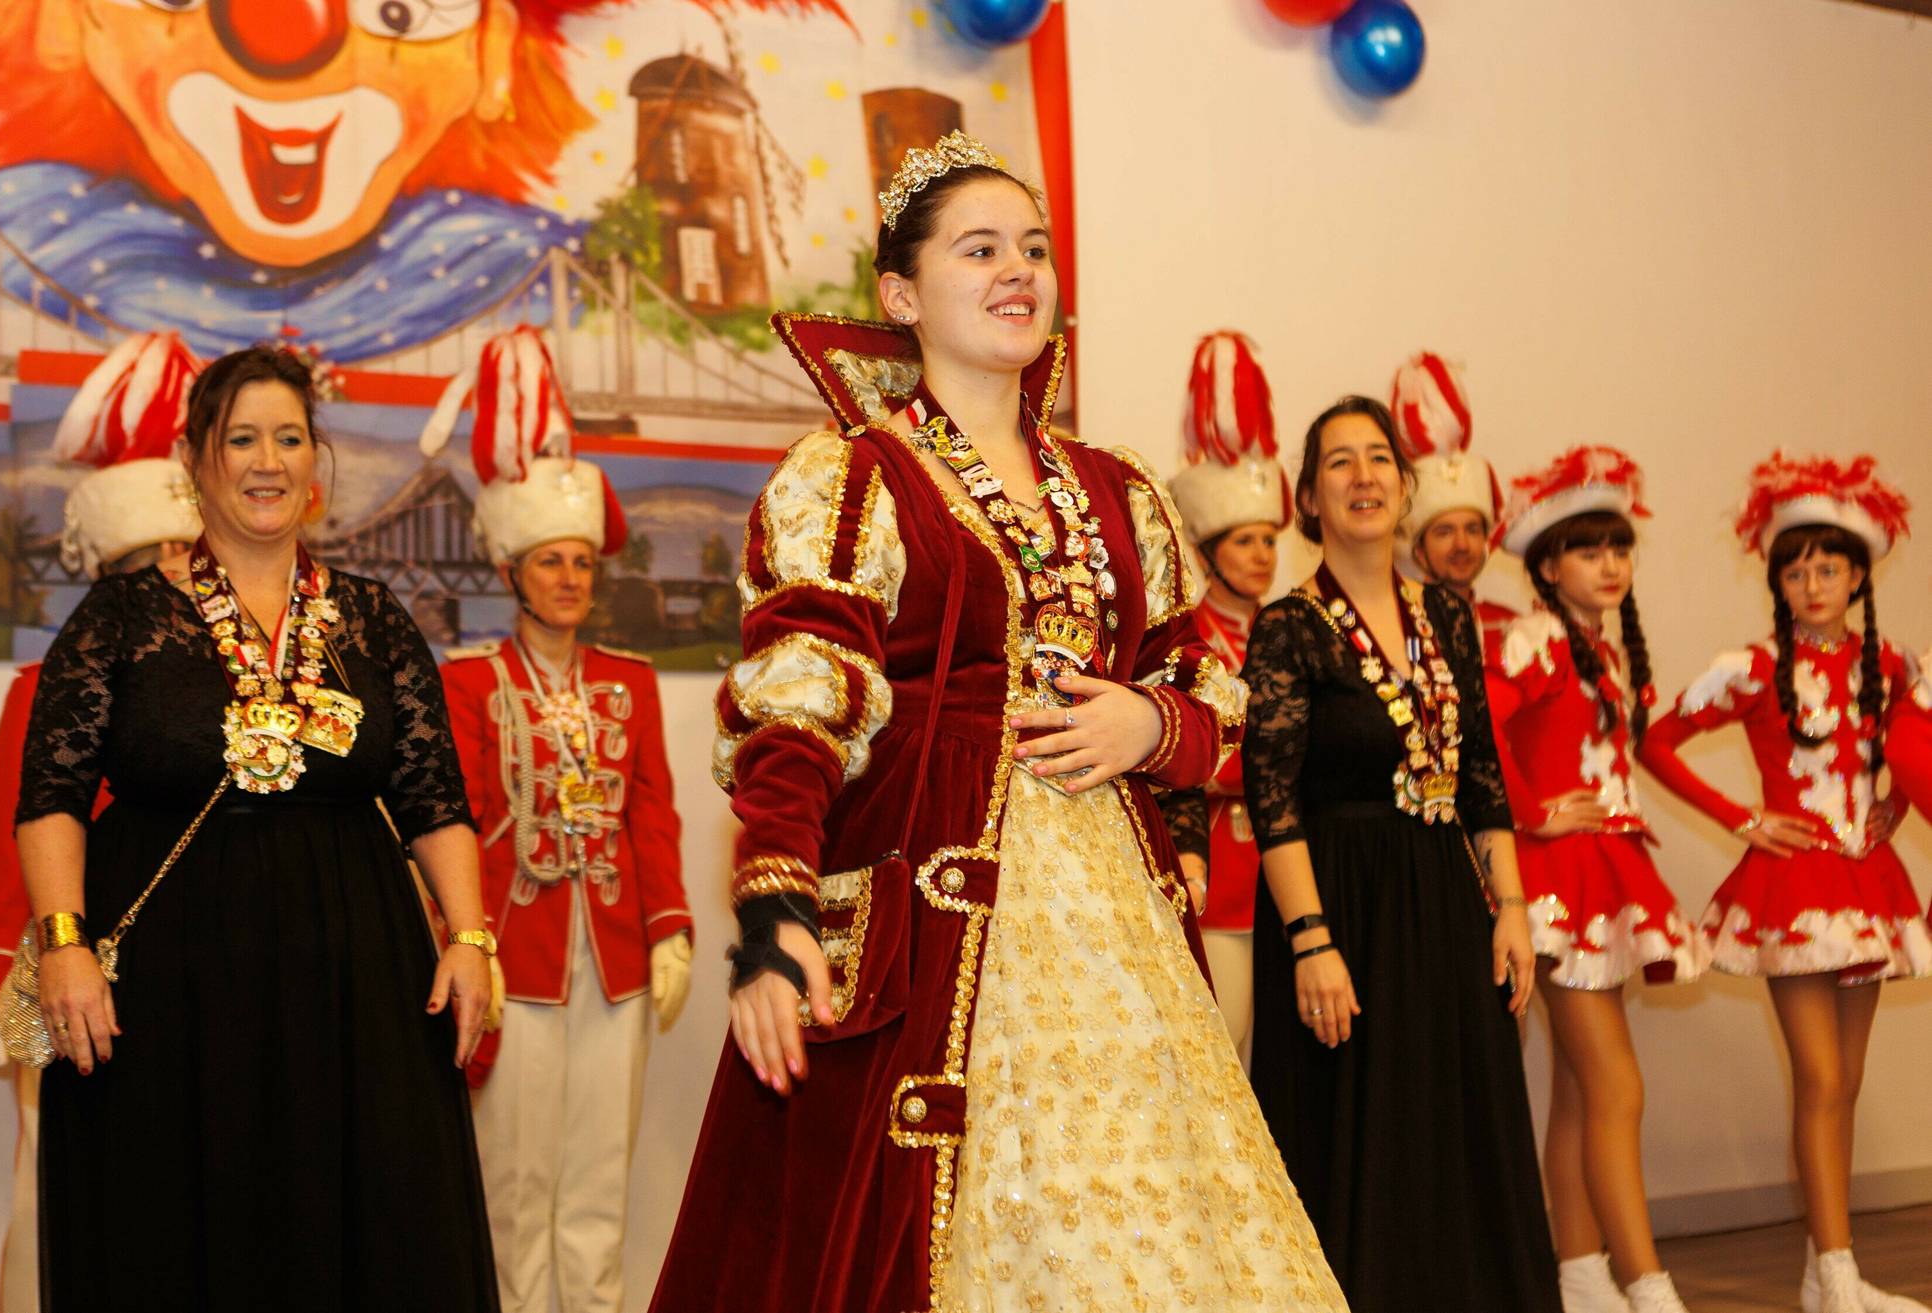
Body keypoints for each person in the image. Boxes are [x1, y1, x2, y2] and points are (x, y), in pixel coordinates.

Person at [648, 132, 1343, 1313]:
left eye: (1034, 248)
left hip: (1119, 925)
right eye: (979, 250)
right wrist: (773, 908)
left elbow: (1209, 688)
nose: (1019, 269)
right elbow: (799, 699)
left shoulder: (1120, 487)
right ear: (901, 295)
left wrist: (1151, 725)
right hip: (929, 924)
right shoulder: (855, 475)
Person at [15, 343, 500, 1311]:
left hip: (356, 977)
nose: (267, 461)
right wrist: (64, 943)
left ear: (316, 460)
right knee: (172, 1231)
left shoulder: (374, 617)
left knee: (364, 1224)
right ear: (194, 459)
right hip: (168, 986)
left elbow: (434, 796)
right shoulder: (122, 614)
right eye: (241, 439)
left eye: (288, 437)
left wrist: (471, 936)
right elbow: (51, 793)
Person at [1242, 393, 1560, 1311]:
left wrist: (1510, 908)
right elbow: (1272, 796)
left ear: (1405, 483)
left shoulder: (1447, 616)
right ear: (1310, 499)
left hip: (1443, 899)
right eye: (1339, 462)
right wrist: (1310, 940)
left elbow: (1481, 772)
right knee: (1355, 1137)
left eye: (1379, 457)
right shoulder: (1289, 625)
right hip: (1339, 905)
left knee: (1457, 1125)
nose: (1364, 476)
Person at [424, 327, 693, 1313]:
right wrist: (465, 938)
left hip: (614, 954)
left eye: (583, 561)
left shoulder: (631, 680)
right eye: (551, 561)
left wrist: (669, 926)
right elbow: (451, 822)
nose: (571, 577)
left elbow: (652, 812)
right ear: (513, 570)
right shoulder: (469, 682)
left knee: (597, 1181)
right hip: (515, 950)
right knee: (513, 1178)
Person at [0, 331, 204, 1313]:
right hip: (66, 971)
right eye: (154, 560)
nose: (176, 575)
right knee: (52, 1190)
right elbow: (8, 837)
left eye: (186, 557)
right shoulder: (49, 681)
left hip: (190, 969)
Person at [1638, 451, 1930, 1313]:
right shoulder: (1753, 666)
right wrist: (1744, 818)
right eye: (1796, 572)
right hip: (1794, 888)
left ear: (1858, 577)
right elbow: (1656, 741)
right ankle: (1835, 1272)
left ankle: (1827, 1270)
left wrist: (1895, 807)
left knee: (1847, 1081)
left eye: (1828, 569)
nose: (1812, 585)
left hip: (1867, 883)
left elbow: (1915, 751)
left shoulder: (1894, 665)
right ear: (1778, 582)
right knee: (1820, 1079)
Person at [1484, 445, 1709, 1313]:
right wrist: (1534, 811)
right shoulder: (1539, 640)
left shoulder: (1599, 653)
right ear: (1548, 567)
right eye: (1588, 549)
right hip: (1554, 880)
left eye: (1619, 548)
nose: (1610, 564)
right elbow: (1478, 733)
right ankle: (1650, 1287)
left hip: (1602, 870)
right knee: (1617, 1086)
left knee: (1583, 1089)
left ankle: (1580, 1275)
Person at [1160, 329, 1290, 1056]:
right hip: (1218, 871)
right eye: (1245, 541)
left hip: (1290, 871)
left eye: (1270, 540)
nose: (1263, 555)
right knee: (1225, 1047)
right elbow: (1190, 756)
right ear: (1208, 551)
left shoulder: (1290, 629)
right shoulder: (1184, 638)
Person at [1392, 350, 1517, 652]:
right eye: (1444, 532)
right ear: (1418, 549)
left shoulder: (1514, 631)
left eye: (1472, 529)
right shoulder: (1396, 633)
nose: (1462, 545)